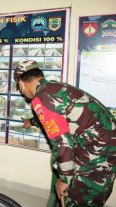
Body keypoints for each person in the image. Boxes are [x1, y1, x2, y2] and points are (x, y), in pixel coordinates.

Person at [14, 60, 116, 207]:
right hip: (108, 147)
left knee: (77, 200)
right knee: (95, 198)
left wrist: (64, 178)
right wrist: (30, 122)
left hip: (96, 154)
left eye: (19, 87)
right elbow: (62, 117)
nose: (21, 91)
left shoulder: (41, 99)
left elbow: (62, 143)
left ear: (21, 83)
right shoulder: (56, 88)